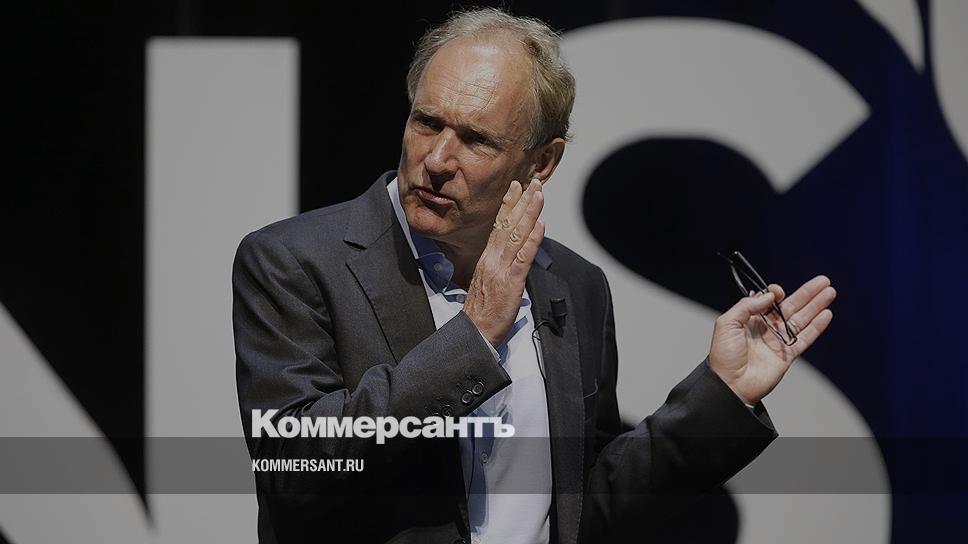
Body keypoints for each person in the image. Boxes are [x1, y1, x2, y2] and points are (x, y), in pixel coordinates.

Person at [232, 8, 837, 544]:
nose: (436, 160)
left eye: (476, 140)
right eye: (427, 122)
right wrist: (473, 339)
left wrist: (724, 394)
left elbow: (586, 511)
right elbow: (295, 470)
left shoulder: (573, 285)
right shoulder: (293, 261)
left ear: (542, 161)